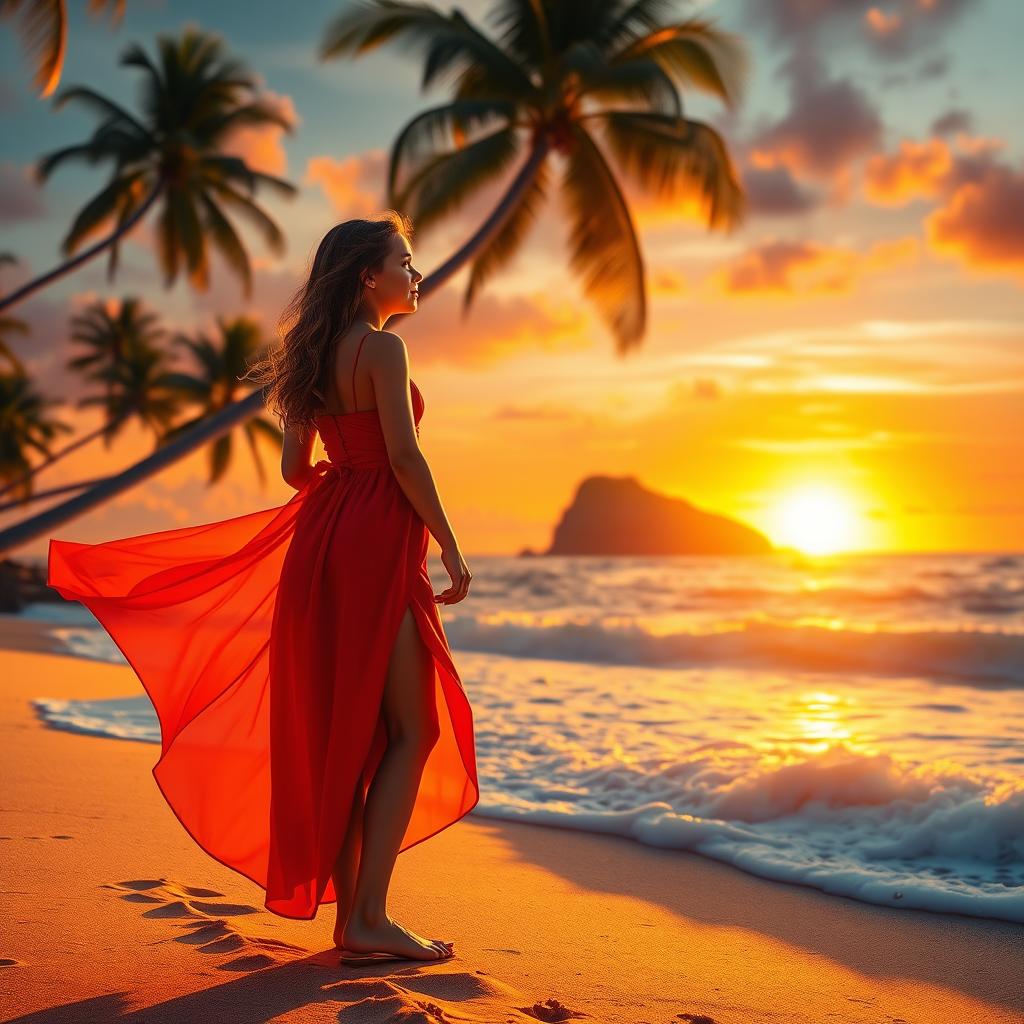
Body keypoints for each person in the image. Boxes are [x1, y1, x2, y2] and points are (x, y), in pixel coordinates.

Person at [47, 211, 479, 967]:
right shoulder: (384, 348)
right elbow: (406, 459)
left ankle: (358, 918)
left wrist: (343, 484)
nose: (417, 274)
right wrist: (447, 541)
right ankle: (369, 917)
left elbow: (292, 470)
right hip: (377, 541)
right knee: (415, 730)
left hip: (325, 543)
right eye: (405, 262)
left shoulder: (307, 358)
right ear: (366, 276)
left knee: (348, 733)